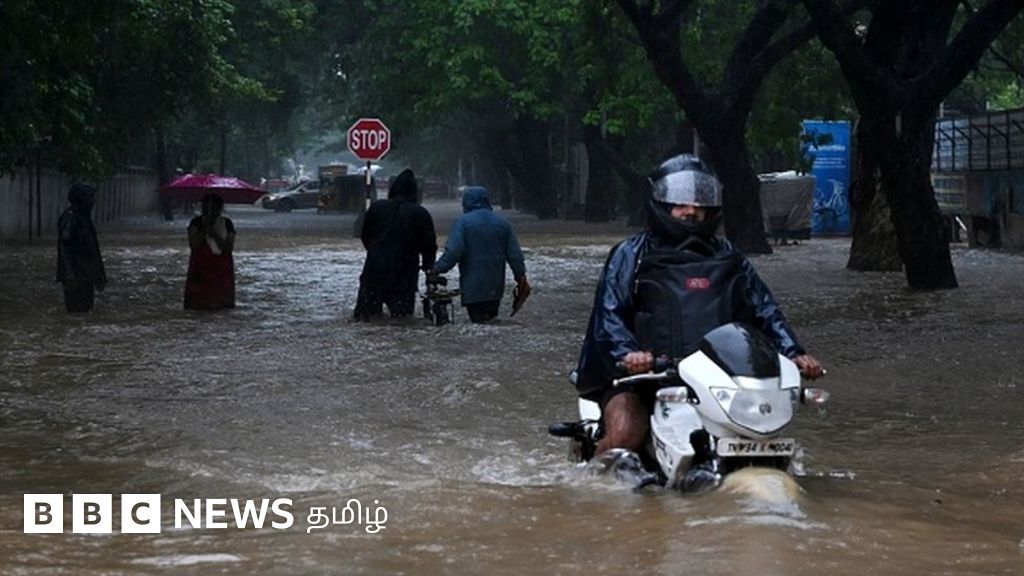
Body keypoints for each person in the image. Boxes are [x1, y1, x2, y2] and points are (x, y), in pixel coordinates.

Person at [574, 154, 823, 456]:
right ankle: (594, 487)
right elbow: (609, 314)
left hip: (719, 381)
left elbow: (765, 309)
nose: (691, 210)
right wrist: (629, 354)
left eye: (699, 202)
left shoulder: (729, 255)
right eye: (680, 202)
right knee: (626, 435)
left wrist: (794, 353)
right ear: (661, 203)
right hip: (642, 378)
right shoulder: (631, 254)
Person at [431, 186, 530, 323]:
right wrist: (521, 278)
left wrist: (437, 269)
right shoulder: (503, 223)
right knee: (491, 321)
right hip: (495, 287)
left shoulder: (463, 223)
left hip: (472, 288)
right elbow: (515, 256)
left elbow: (454, 251)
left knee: (477, 324)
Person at [353, 169, 437, 320]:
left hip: (373, 274)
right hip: (404, 277)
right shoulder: (421, 213)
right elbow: (429, 246)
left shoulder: (377, 207)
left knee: (365, 320)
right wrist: (427, 266)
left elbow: (365, 236)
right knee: (402, 323)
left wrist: (376, 253)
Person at [56, 183, 107, 313]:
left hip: (86, 275)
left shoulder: (84, 218)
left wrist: (99, 276)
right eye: (90, 198)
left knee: (85, 313)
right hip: (76, 276)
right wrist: (69, 274)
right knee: (77, 312)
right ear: (81, 199)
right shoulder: (71, 218)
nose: (93, 202)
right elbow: (64, 248)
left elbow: (93, 251)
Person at [184, 193, 236, 310]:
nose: (210, 212)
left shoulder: (227, 224)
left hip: (221, 270)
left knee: (222, 305)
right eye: (206, 208)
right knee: (196, 305)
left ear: (219, 209)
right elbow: (194, 246)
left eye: (214, 209)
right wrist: (204, 231)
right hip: (200, 269)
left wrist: (214, 234)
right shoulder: (196, 223)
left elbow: (228, 249)